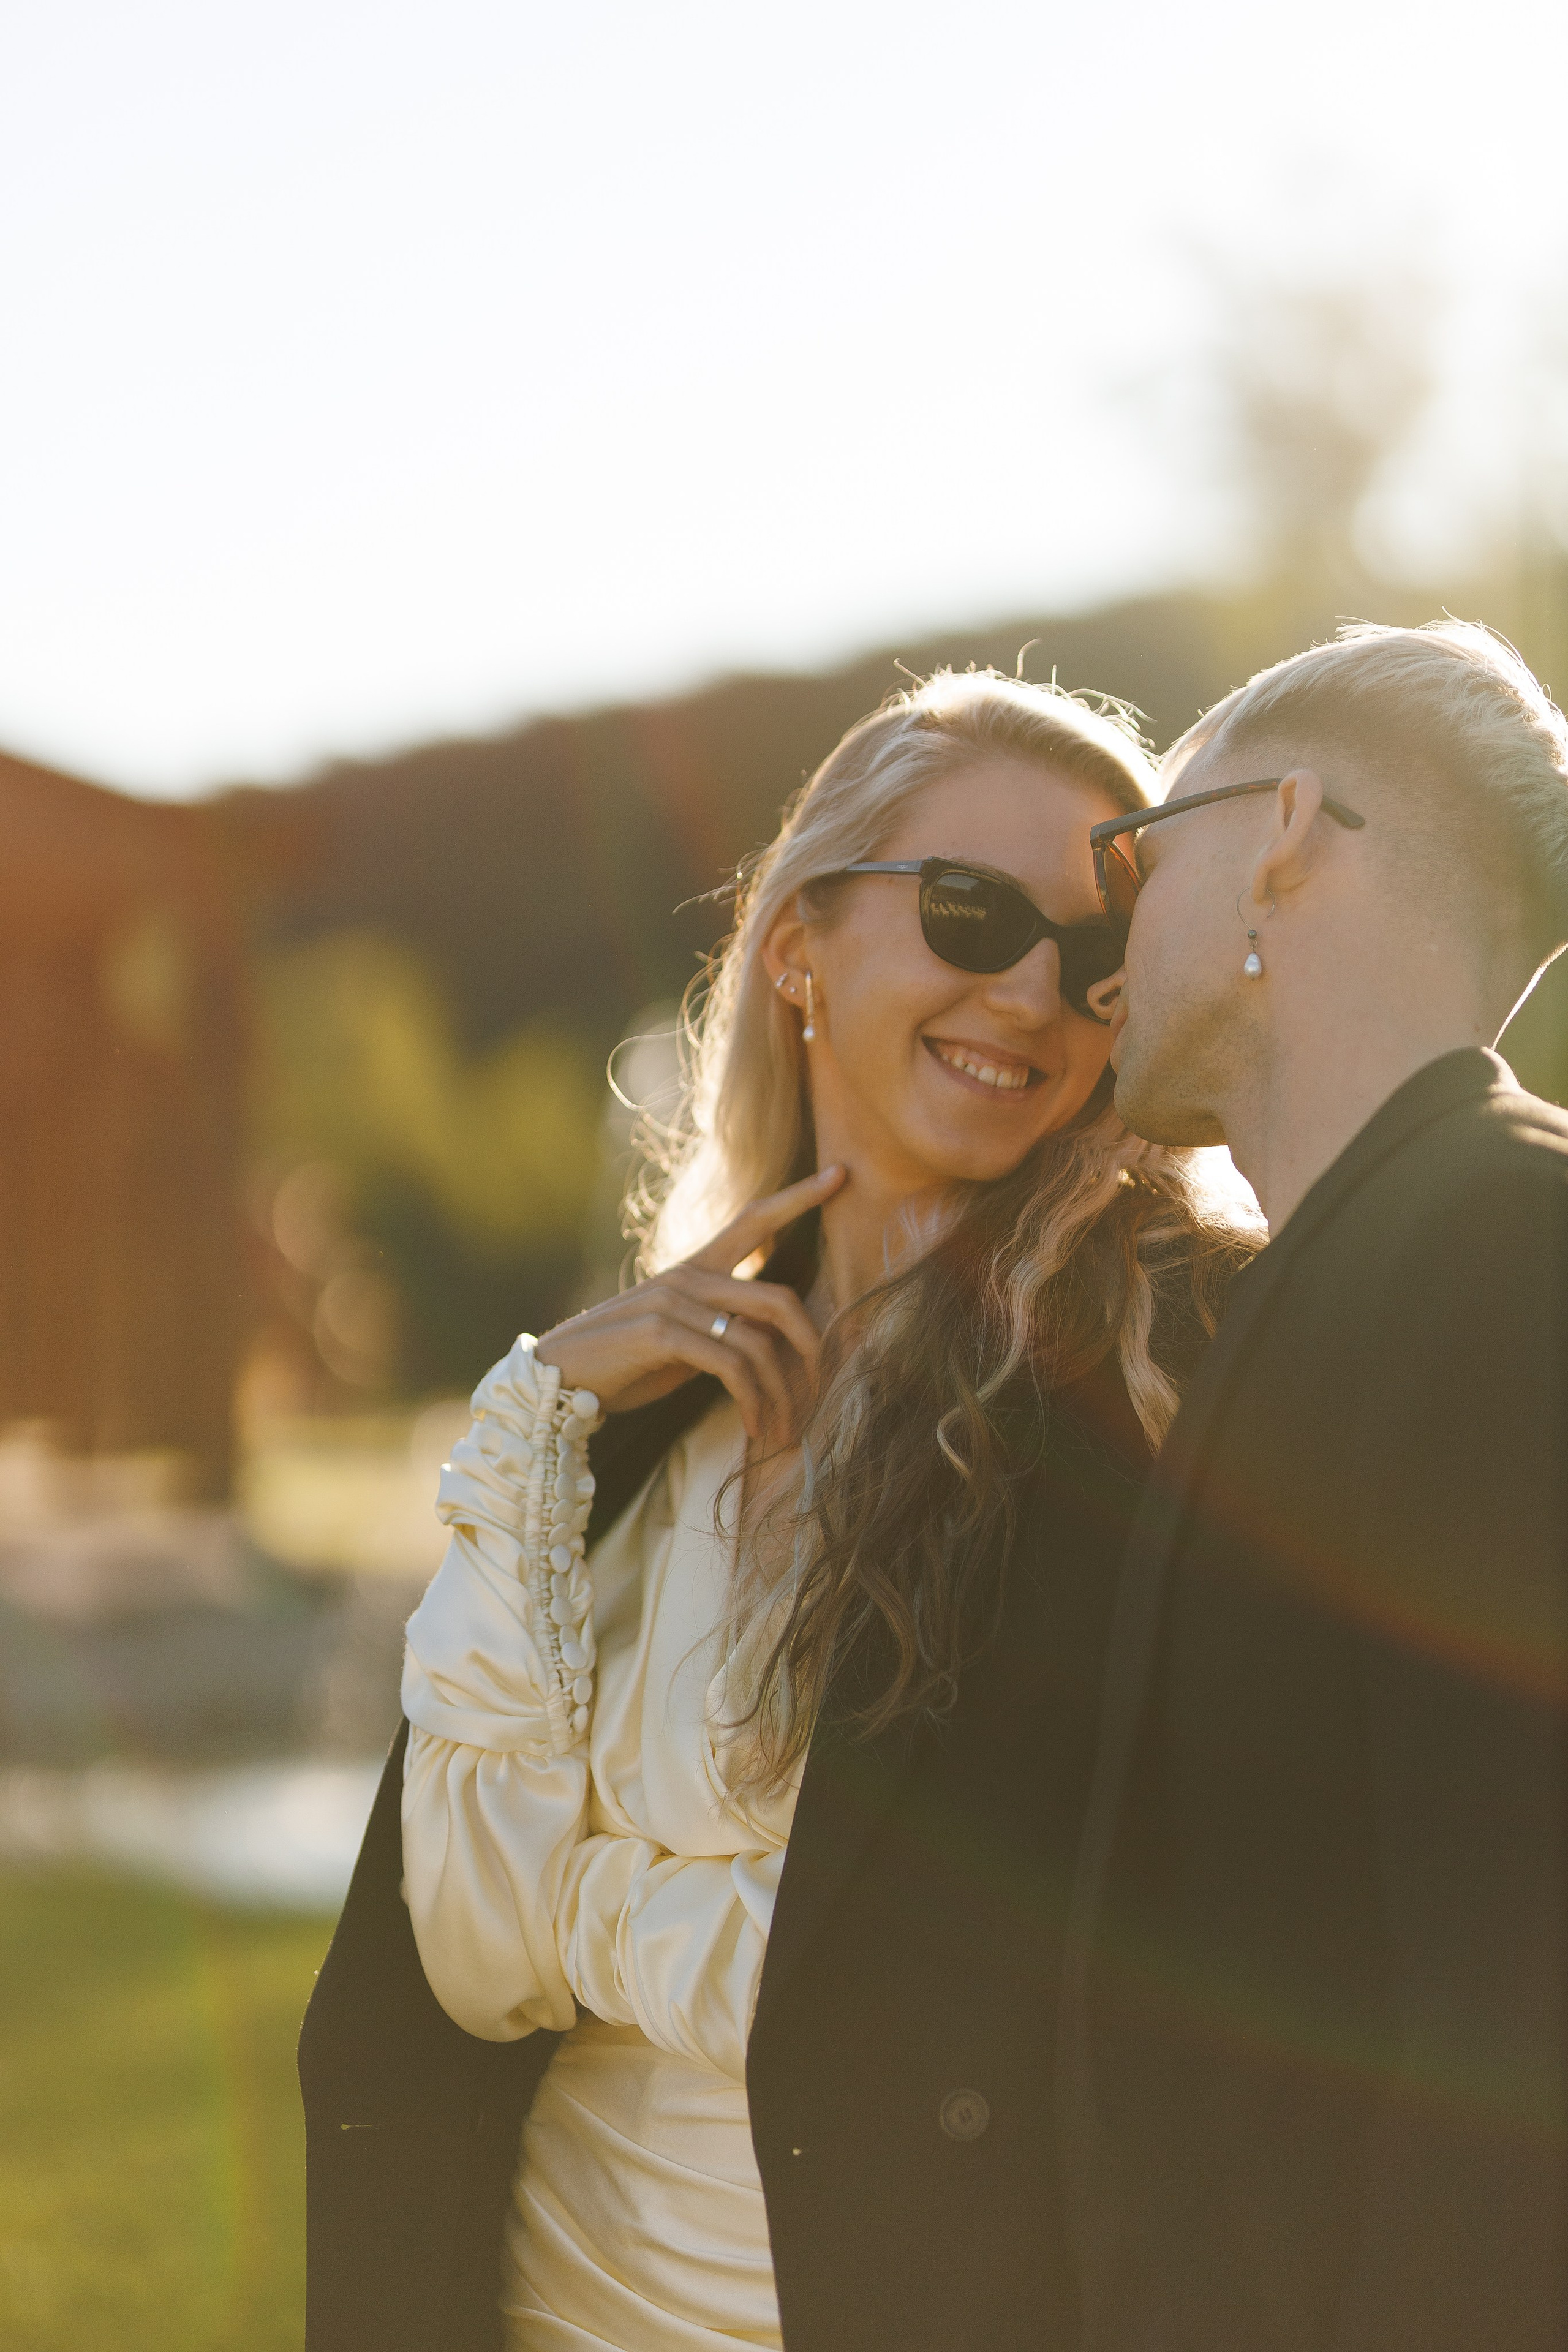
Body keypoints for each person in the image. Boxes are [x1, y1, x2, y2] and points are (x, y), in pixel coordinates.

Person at [298, 666, 1251, 2352]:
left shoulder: (1163, 1369)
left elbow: (964, 1994)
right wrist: (531, 1418)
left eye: (1100, 960)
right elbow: (457, 1958)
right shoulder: (629, 1414)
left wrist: (580, 1909)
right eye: (971, 915)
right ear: (800, 943)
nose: (1036, 993)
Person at [1060, 619, 1568, 2352]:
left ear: (1282, 838)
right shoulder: (1341, 1274)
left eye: (1138, 858)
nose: (1101, 954)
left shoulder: (1515, 1255)